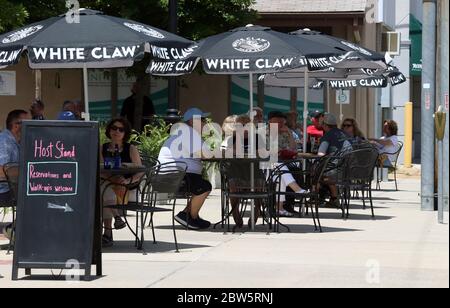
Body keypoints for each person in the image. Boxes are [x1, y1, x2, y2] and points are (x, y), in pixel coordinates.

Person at [158, 108, 212, 230]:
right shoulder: (188, 133)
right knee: (204, 186)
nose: (205, 123)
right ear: (193, 121)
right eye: (203, 119)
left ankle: (190, 215)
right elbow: (206, 155)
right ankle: (189, 217)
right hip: (175, 177)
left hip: (170, 176)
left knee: (201, 184)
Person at [100, 118, 143, 247]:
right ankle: (116, 219)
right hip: (109, 183)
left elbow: (141, 171)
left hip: (127, 187)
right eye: (114, 128)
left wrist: (127, 180)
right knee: (105, 188)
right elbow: (101, 169)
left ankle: (107, 233)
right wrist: (112, 179)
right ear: (109, 130)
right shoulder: (103, 147)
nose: (117, 131)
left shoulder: (131, 149)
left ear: (125, 133)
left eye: (121, 129)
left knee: (103, 191)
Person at [0, 110, 29, 240]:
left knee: (37, 191)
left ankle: (15, 229)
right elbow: (1, 170)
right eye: (27, 123)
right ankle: (14, 230)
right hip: (3, 190)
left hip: (12, 187)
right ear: (17, 125)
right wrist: (29, 171)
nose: (30, 126)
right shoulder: (4, 141)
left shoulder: (16, 142)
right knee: (34, 194)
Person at [317, 113, 352, 207]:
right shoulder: (345, 134)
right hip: (349, 169)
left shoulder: (328, 136)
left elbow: (320, 154)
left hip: (335, 169)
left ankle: (316, 197)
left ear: (324, 125)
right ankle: (334, 198)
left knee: (315, 171)